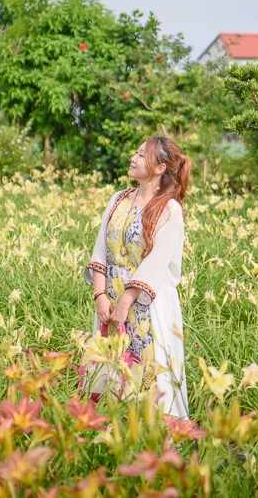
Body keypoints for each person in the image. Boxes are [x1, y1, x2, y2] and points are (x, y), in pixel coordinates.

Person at [84, 136, 190, 418]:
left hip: (148, 306)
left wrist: (126, 302)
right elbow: (100, 250)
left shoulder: (169, 209)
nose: (133, 158)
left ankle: (158, 441)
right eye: (136, 152)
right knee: (110, 371)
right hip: (111, 303)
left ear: (158, 168)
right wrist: (101, 296)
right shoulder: (117, 200)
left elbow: (156, 263)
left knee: (151, 374)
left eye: (142, 155)